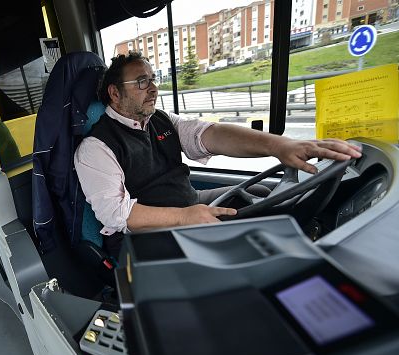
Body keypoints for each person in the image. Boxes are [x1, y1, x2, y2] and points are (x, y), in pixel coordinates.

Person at [74, 52, 362, 258]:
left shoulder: (161, 120)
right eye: (141, 82)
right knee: (246, 227)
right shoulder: (96, 147)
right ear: (114, 93)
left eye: (153, 79)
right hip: (142, 237)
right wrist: (185, 217)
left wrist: (279, 146)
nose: (153, 88)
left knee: (263, 192)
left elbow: (210, 135)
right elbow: (117, 215)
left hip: (187, 204)